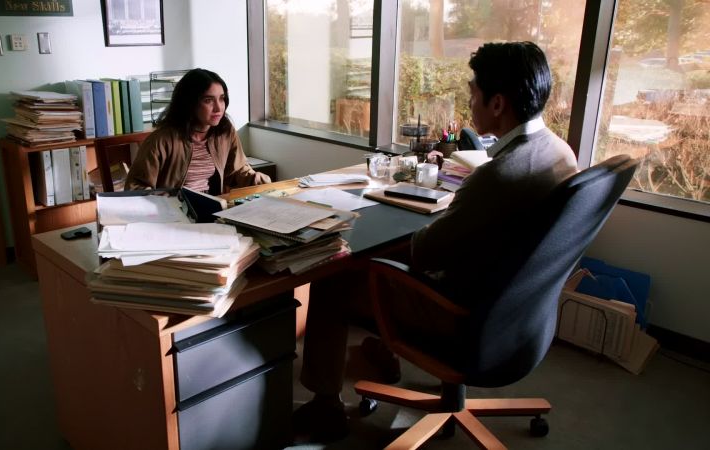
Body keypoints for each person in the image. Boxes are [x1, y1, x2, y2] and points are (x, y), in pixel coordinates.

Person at [292, 41, 578, 443]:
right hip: (519, 316)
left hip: (461, 317)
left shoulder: (498, 176)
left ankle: (326, 406)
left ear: (497, 104)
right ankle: (386, 352)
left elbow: (425, 252)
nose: (470, 102)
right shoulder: (560, 152)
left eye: (473, 94)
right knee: (383, 259)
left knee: (335, 276)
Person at [125, 68, 271, 193]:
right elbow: (135, 187)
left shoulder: (225, 132)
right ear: (190, 103)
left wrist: (257, 179)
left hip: (213, 208)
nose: (218, 108)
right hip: (176, 211)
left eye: (221, 98)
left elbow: (236, 171)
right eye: (208, 100)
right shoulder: (161, 140)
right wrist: (170, 202)